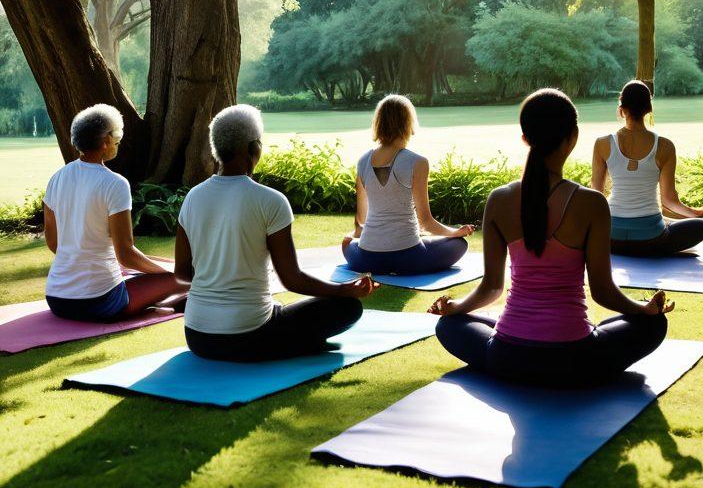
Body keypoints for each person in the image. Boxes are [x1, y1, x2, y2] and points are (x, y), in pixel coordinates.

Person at [430, 88, 673, 389]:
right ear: (573, 137)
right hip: (575, 360)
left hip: (508, 357)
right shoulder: (592, 203)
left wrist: (454, 308)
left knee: (449, 325)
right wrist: (643, 308)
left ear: (525, 139)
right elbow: (603, 293)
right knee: (653, 324)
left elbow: (492, 288)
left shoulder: (499, 199)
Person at [175, 104, 377, 362]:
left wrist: (215, 289)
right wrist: (344, 290)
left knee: (282, 312)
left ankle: (294, 340)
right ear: (252, 148)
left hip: (198, 336)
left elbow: (182, 274)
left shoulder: (193, 198)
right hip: (250, 334)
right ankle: (300, 344)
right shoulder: (270, 200)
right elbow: (291, 279)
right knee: (347, 308)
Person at [44, 104, 185, 321]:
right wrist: (164, 272)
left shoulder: (56, 178)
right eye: (116, 136)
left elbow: (54, 244)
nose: (118, 141)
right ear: (106, 141)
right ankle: (178, 300)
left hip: (57, 298)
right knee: (185, 276)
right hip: (99, 301)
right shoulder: (115, 184)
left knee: (156, 269)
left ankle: (162, 296)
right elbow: (126, 255)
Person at [341, 94, 474, 276]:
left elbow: (361, 222)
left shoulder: (363, 161)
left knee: (347, 243)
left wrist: (353, 238)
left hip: (367, 259)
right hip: (408, 258)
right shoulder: (417, 162)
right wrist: (454, 232)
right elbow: (426, 222)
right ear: (408, 124)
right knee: (459, 244)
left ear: (378, 123)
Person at [592, 79, 703, 257]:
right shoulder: (665, 146)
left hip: (610, 239)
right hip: (650, 240)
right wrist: (699, 213)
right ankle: (656, 238)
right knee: (700, 227)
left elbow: (596, 196)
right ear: (648, 109)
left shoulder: (602, 144)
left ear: (622, 109)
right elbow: (669, 201)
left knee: (661, 222)